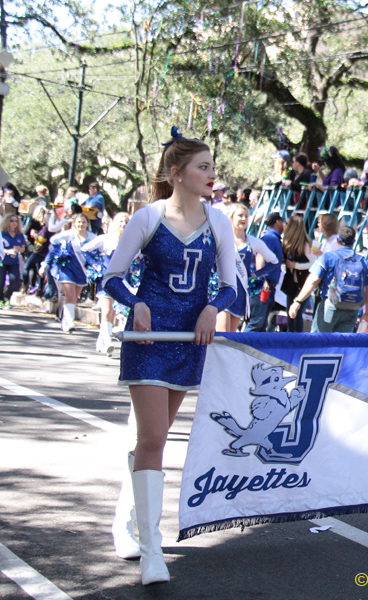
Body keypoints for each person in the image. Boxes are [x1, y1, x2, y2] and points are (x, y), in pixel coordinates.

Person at [101, 129, 236, 584]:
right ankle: (152, 547)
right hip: (148, 341)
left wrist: (212, 309)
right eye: (203, 166)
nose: (212, 174)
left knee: (147, 441)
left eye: (212, 166)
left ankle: (127, 520)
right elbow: (112, 277)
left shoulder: (218, 221)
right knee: (154, 439)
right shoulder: (148, 217)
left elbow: (232, 286)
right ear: (176, 173)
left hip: (188, 343)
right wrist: (134, 302)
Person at [288, 225, 368, 333]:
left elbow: (313, 280)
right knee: (341, 346)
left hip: (330, 307)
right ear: (354, 241)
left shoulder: (328, 257)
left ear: (337, 239)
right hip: (352, 309)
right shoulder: (362, 261)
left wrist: (298, 301)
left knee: (319, 344)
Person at [217, 204, 279, 332]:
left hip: (239, 293)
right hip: (221, 290)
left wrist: (257, 275)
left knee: (231, 339)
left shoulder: (252, 241)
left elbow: (274, 261)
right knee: (222, 336)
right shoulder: (221, 238)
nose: (243, 218)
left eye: (246, 216)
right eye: (240, 215)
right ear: (231, 218)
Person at [81, 212, 131, 354]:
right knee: (107, 310)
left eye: (126, 222)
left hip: (122, 280)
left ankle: (101, 340)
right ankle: (107, 341)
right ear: (114, 223)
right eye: (120, 221)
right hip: (106, 279)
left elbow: (138, 258)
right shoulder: (105, 239)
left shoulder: (131, 241)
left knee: (113, 312)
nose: (123, 224)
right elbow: (85, 249)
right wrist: (95, 264)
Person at [40, 213, 96, 332]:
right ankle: (70, 322)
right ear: (74, 223)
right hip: (67, 269)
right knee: (69, 295)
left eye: (83, 222)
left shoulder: (92, 238)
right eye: (78, 222)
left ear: (87, 224)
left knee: (74, 297)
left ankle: (65, 320)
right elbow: (53, 246)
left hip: (82, 271)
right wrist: (45, 264)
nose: (81, 224)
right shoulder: (67, 235)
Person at [245, 212, 284, 333]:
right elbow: (260, 257)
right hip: (263, 286)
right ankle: (239, 349)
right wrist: (262, 279)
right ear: (277, 222)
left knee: (261, 325)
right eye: (283, 222)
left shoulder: (272, 238)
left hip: (268, 286)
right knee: (257, 323)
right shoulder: (270, 238)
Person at [280, 215, 316, 332]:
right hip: (291, 282)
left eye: (287, 224)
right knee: (289, 312)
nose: (284, 226)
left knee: (297, 312)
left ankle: (298, 339)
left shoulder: (304, 244)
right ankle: (290, 337)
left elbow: (313, 262)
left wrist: (296, 265)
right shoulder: (286, 242)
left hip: (303, 283)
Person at [1, 213, 26, 307]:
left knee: (14, 280)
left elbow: (23, 248)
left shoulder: (20, 235)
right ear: (7, 222)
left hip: (14, 262)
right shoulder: (2, 234)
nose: (14, 223)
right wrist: (8, 251)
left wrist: (18, 249)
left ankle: (7, 298)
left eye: (16, 221)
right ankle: (0, 300)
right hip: (2, 261)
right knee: (1, 282)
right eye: (12, 221)